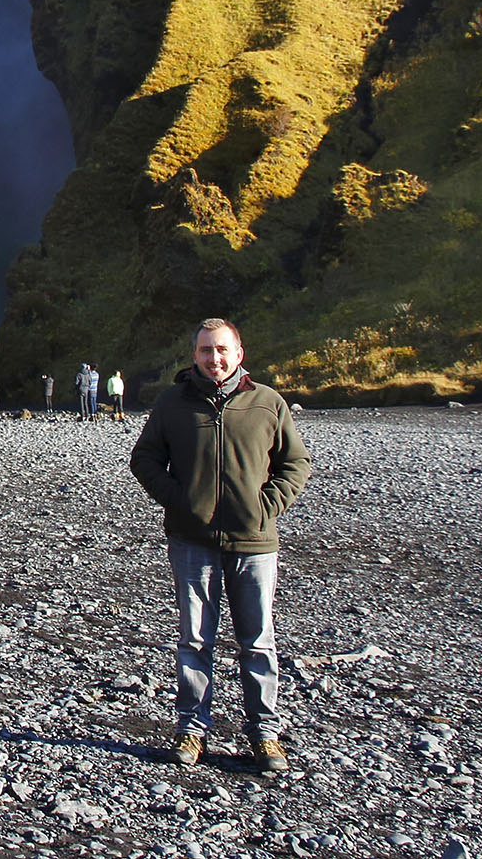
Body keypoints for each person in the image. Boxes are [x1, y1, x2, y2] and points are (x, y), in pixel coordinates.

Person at [130, 316, 312, 775]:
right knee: (194, 639)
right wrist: (180, 502)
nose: (215, 359)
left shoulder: (267, 403)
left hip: (255, 542)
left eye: (222, 350)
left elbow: (295, 462)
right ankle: (191, 730)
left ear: (239, 353)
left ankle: (264, 736)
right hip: (192, 541)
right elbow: (145, 458)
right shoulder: (173, 404)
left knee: (258, 642)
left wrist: (266, 507)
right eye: (207, 351)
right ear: (195, 355)